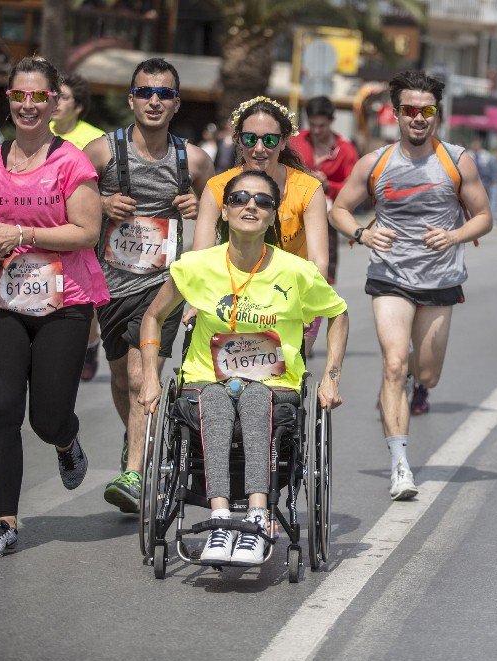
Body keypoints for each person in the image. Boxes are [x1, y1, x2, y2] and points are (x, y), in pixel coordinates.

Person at [137, 170, 348, 566]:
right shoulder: (197, 266)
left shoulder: (296, 271)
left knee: (255, 398)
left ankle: (257, 515)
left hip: (274, 384)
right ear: (224, 211)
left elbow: (338, 314)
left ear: (273, 216)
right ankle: (220, 520)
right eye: (239, 198)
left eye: (263, 201)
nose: (251, 206)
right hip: (206, 381)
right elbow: (153, 316)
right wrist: (150, 377)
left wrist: (331, 378)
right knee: (216, 400)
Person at [0, 56, 108, 558]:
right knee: (2, 411)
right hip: (0, 301)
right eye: (19, 95)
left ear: (52, 102)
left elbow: (87, 231)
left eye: (38, 96)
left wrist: (22, 234)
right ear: (10, 100)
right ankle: (5, 523)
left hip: (64, 304)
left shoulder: (72, 162)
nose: (28, 105)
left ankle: (66, 441)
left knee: (46, 419)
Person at [329, 70, 492, 500]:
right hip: (390, 276)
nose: (418, 118)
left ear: (437, 114)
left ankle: (415, 381)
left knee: (428, 374)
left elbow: (483, 217)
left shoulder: (457, 161)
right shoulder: (375, 163)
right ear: (396, 113)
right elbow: (339, 210)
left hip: (440, 278)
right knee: (394, 364)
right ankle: (400, 466)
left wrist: (454, 236)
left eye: (427, 110)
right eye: (410, 110)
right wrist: (363, 234)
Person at [84, 57, 214, 512]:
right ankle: (134, 437)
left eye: (164, 94)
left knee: (144, 375)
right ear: (131, 99)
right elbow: (70, 203)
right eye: (145, 92)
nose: (154, 101)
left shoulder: (193, 159)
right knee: (122, 378)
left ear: (177, 103)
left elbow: (218, 214)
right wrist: (101, 203)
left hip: (165, 284)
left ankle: (135, 472)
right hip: (112, 284)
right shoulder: (101, 152)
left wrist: (199, 206)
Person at [193, 96, 329, 357]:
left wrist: (306, 305)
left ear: (284, 140)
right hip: (232, 298)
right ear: (238, 139)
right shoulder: (217, 187)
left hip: (294, 297)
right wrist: (197, 300)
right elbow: (201, 256)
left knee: (285, 377)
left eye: (269, 140)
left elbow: (319, 261)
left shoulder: (308, 189)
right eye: (250, 138)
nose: (259, 148)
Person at [51, 73, 106, 380]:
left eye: (64, 97)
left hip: (83, 228)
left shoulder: (95, 139)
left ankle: (90, 341)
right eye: (53, 96)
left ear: (79, 106)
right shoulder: (38, 132)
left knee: (85, 297)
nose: (56, 102)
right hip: (47, 229)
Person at [289, 95, 359, 286]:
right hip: (291, 212)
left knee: (320, 276)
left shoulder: (345, 149)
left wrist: (328, 186)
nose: (316, 130)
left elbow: (353, 190)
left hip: (325, 217)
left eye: (322, 126)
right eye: (312, 125)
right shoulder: (295, 141)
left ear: (331, 121)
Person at [469, 137, 497, 214]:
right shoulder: (468, 154)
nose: (475, 146)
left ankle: (491, 215)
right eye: (474, 144)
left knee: (490, 198)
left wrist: (493, 179)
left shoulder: (486, 155)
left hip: (485, 181)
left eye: (477, 145)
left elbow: (489, 169)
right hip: (472, 181)